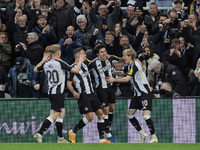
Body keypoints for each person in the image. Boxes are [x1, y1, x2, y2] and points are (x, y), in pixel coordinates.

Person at [33, 44, 84, 143]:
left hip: (51, 92)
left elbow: (35, 69)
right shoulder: (60, 63)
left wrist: (43, 60)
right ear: (59, 53)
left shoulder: (47, 64)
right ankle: (39, 133)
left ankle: (60, 138)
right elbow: (76, 70)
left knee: (61, 113)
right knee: (54, 115)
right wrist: (80, 61)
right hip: (58, 92)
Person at [106, 49, 158, 143]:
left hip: (144, 93)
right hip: (137, 94)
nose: (123, 58)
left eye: (125, 55)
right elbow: (123, 73)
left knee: (145, 115)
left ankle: (153, 136)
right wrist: (112, 72)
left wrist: (113, 80)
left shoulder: (135, 65)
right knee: (130, 115)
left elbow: (126, 79)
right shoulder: (130, 65)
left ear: (130, 56)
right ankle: (142, 134)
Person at [67, 47, 110, 143]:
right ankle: (73, 132)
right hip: (83, 95)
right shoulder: (72, 68)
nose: (85, 55)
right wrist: (74, 92)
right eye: (83, 53)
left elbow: (97, 61)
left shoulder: (86, 64)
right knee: (90, 117)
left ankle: (102, 139)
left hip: (92, 93)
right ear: (78, 56)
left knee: (101, 114)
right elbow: (68, 83)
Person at [88, 44, 120, 143]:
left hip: (111, 88)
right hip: (101, 89)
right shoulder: (93, 64)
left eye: (105, 51)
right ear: (97, 54)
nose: (104, 53)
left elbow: (120, 60)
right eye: (102, 52)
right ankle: (108, 132)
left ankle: (108, 127)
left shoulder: (110, 60)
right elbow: (86, 74)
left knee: (112, 109)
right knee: (105, 110)